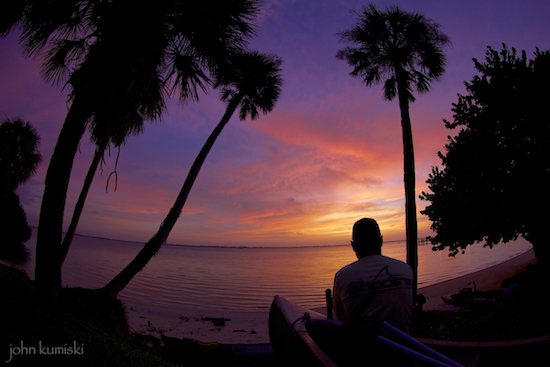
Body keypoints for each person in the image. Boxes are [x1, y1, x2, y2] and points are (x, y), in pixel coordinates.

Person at [333, 218, 413, 333]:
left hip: (362, 349)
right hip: (402, 347)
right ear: (380, 241)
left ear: (353, 245)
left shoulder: (342, 276)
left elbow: (341, 318)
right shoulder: (405, 269)